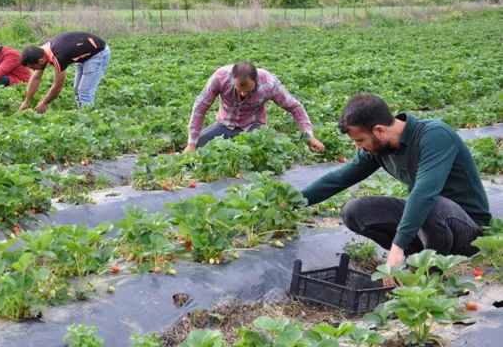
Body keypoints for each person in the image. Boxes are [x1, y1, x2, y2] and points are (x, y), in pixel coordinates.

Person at [301, 92, 491, 287]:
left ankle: (429, 276)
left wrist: (397, 246)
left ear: (380, 130)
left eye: (360, 140)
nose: (358, 147)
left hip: (467, 229)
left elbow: (424, 194)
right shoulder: (377, 149)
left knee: (429, 203)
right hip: (429, 223)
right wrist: (293, 202)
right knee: (355, 211)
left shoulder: (434, 136)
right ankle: (415, 259)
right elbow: (338, 179)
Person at [183, 61, 326, 153]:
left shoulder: (269, 83)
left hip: (254, 127)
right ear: (232, 79)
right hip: (225, 125)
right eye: (239, 89)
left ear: (256, 80)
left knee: (265, 151)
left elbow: (295, 107)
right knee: (199, 146)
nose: (244, 93)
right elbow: (200, 108)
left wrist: (309, 136)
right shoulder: (220, 78)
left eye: (249, 90)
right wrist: (191, 143)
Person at [18, 31, 110, 113]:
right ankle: (83, 115)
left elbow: (57, 86)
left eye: (33, 67)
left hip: (98, 53)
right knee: (77, 90)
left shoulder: (58, 56)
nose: (34, 70)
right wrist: (26, 101)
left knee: (84, 91)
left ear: (41, 61)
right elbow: (36, 78)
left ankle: (91, 121)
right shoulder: (42, 52)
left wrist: (44, 103)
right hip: (83, 54)